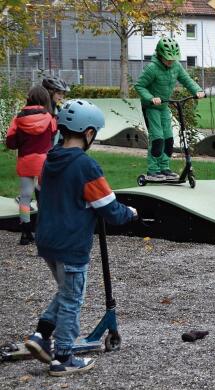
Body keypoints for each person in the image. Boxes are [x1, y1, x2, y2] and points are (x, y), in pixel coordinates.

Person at [23, 99, 138, 376]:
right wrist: (131, 213)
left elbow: (43, 192)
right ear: (88, 133)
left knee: (66, 290)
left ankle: (41, 336)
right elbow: (109, 208)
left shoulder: (49, 160)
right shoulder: (86, 166)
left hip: (47, 240)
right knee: (73, 299)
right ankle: (63, 357)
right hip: (71, 244)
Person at [134, 37, 205, 182]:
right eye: (168, 59)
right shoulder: (152, 68)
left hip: (164, 107)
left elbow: (187, 80)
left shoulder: (176, 66)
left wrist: (197, 91)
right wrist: (150, 98)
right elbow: (139, 86)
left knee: (168, 138)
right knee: (157, 138)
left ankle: (164, 168)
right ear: (160, 55)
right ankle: (153, 170)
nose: (171, 62)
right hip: (151, 107)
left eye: (173, 59)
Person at [4, 85, 57, 245]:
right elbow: (53, 135)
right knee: (44, 197)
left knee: (25, 197)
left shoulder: (18, 118)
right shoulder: (50, 118)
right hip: (44, 162)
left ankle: (26, 233)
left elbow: (10, 142)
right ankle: (45, 232)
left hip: (26, 160)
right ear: (45, 99)